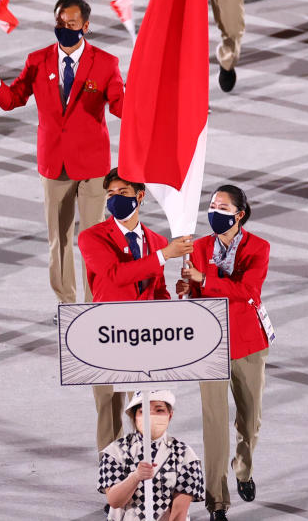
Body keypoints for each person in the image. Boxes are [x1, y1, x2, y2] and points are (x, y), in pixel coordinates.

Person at [0, 0, 124, 306]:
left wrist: (138, 93)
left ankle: (95, 303)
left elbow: (121, 108)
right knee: (59, 240)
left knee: (93, 241)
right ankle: (68, 304)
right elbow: (13, 98)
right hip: (54, 165)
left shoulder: (106, 63)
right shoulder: (38, 60)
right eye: (59, 23)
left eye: (71, 24)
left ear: (86, 26)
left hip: (93, 166)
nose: (65, 29)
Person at [78, 170, 194, 451]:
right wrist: (164, 255)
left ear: (140, 197)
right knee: (109, 409)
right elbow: (116, 275)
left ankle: (148, 477)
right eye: (111, 194)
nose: (115, 199)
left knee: (146, 409)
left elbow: (158, 291)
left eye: (123, 193)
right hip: (108, 334)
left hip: (144, 337)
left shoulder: (155, 240)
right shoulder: (91, 237)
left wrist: (174, 307)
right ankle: (111, 477)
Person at [178, 185, 271, 521]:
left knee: (250, 420)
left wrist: (206, 278)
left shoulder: (259, 248)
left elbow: (249, 290)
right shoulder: (198, 247)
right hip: (210, 344)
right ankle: (217, 500)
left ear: (239, 214)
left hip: (248, 343)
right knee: (213, 423)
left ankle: (243, 468)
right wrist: (186, 288)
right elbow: (192, 292)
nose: (215, 211)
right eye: (212, 205)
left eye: (222, 206)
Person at [98, 390, 205, 521]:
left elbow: (179, 513)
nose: (152, 416)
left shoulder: (185, 455)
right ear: (135, 416)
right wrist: (135, 477)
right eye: (143, 411)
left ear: (169, 415)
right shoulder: (115, 451)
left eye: (159, 410)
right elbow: (114, 501)